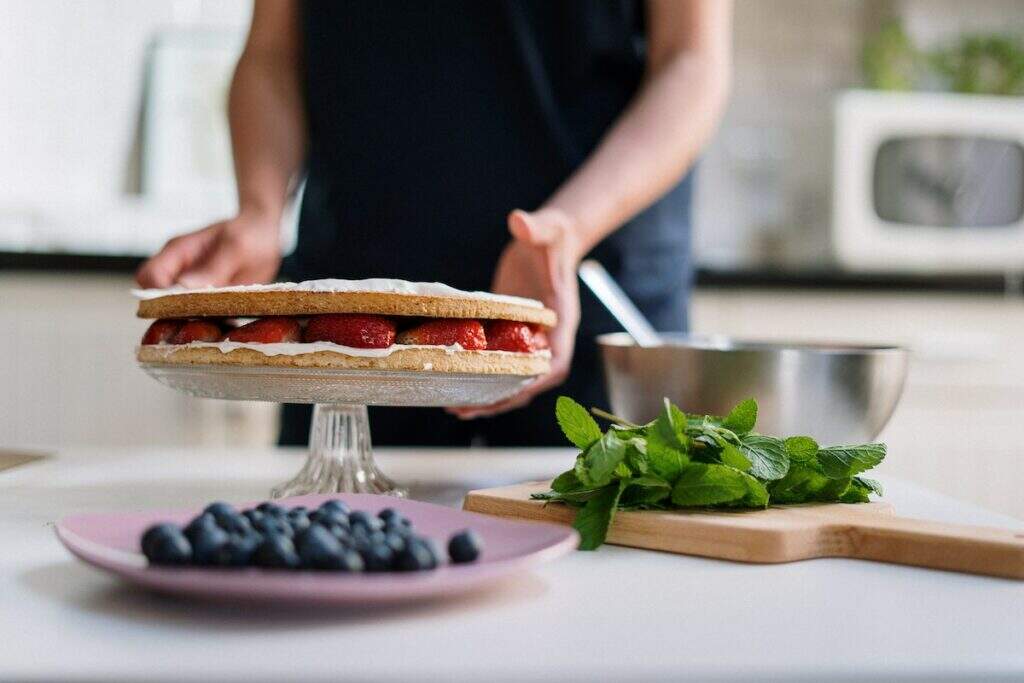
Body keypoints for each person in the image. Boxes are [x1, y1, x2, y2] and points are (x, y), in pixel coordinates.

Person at [136, 0, 732, 447]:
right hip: (352, 307)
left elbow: (692, 60)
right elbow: (272, 54)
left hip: (585, 285)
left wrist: (568, 227)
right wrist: (261, 211)